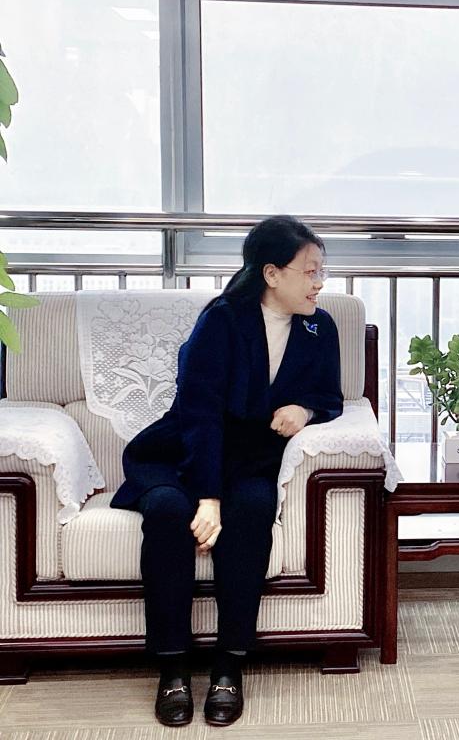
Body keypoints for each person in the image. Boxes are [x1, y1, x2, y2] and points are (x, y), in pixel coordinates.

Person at [111, 215, 343, 727]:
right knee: (168, 510)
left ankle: (229, 664)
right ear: (272, 273)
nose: (318, 283)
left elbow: (331, 396)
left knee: (255, 506)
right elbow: (200, 414)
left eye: (321, 271)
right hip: (183, 453)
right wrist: (208, 496)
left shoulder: (319, 327)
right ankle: (172, 667)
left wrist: (304, 410)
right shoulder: (221, 320)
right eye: (309, 271)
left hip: (251, 461)